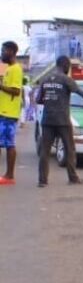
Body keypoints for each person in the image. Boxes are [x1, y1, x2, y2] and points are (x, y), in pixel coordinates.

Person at [37, 56, 83, 187]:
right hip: (63, 120)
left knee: (45, 151)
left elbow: (38, 99)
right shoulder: (66, 80)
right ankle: (73, 178)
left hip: (47, 119)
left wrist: (51, 101)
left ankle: (42, 181)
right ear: (66, 65)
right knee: (70, 149)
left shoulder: (45, 79)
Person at [0, 41, 23, 185]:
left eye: (3, 51)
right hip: (2, 111)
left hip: (9, 113)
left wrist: (0, 86)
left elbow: (16, 91)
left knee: (9, 144)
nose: (1, 53)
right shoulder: (7, 68)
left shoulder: (16, 69)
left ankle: (9, 176)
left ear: (11, 52)